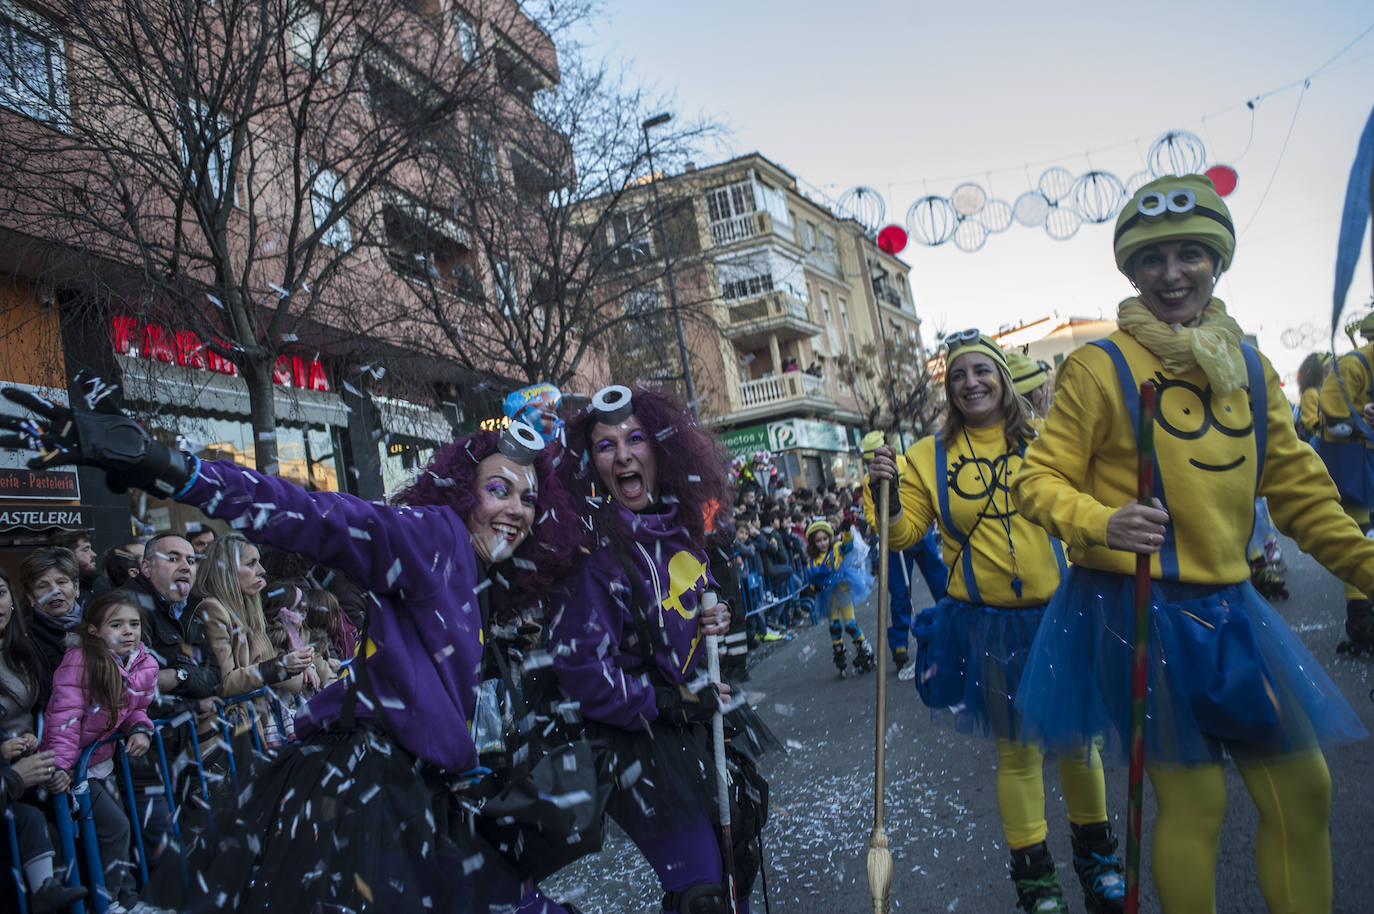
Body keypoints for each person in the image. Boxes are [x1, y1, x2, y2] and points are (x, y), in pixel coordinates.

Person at [0, 392, 588, 912]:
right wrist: (170, 469)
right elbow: (316, 516)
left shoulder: (480, 572)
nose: (515, 509)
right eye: (497, 489)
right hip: (374, 791)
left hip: (422, 795)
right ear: (464, 494)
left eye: (528, 498)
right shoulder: (433, 536)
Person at [1011, 173, 1372, 914]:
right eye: (1153, 259)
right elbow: (1037, 481)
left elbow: (1302, 491)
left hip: (1232, 608)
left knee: (1304, 792)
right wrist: (1101, 521)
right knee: (1196, 801)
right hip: (1137, 609)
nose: (1172, 273)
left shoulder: (1248, 365)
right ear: (1132, 271)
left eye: (1190, 254)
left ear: (1218, 260)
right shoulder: (1099, 366)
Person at [868, 333, 1123, 914]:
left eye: (982, 371)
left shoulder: (1047, 439)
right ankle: (1036, 882)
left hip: (1062, 614)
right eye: (958, 376)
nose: (970, 383)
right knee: (1019, 754)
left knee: (1079, 744)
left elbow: (1087, 501)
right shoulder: (927, 457)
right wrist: (877, 487)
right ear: (949, 389)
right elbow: (903, 535)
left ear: (1004, 380)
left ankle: (1098, 861)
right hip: (989, 625)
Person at [550, 385, 753, 914]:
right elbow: (582, 671)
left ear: (661, 450)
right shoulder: (593, 554)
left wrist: (713, 618)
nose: (622, 455)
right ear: (590, 466)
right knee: (704, 896)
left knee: (736, 865)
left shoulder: (678, 532)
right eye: (605, 446)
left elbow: (684, 612)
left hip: (692, 725)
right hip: (635, 743)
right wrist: (670, 701)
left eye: (634, 439)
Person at [41, 590, 166, 914]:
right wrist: (62, 770)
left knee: (120, 828)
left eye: (134, 624)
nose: (128, 631)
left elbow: (136, 709)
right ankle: (107, 902)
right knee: (115, 828)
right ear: (94, 630)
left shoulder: (143, 662)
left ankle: (125, 898)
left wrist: (140, 729)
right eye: (116, 624)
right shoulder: (80, 660)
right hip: (72, 768)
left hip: (102, 762)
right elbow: (64, 719)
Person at [0, 567, 87, 912]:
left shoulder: (22, 650)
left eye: (1, 592)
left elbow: (49, 712)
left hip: (32, 778)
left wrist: (55, 763)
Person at [193, 533, 315, 748]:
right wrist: (281, 666)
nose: (262, 570)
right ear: (226, 570)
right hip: (237, 732)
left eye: (259, 562)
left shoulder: (249, 608)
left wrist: (302, 665)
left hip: (261, 722)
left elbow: (266, 660)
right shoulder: (213, 609)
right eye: (251, 563)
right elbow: (224, 682)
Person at [859, 430, 948, 679]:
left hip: (920, 533)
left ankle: (957, 628)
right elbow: (870, 512)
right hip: (894, 542)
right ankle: (900, 647)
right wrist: (880, 522)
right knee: (899, 591)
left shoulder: (907, 464)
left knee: (940, 580)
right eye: (868, 458)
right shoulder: (871, 479)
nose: (872, 461)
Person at [1311, 313, 1374, 653]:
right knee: (1357, 533)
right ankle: (1360, 618)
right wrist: (1359, 425)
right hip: (1350, 465)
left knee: (1364, 534)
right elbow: (1331, 421)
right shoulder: (1352, 365)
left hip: (1365, 463)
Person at [49, 530, 98, 607]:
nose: (93, 554)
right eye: (86, 550)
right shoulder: (57, 593)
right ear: (68, 555)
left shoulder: (97, 583)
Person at [1294, 351, 1331, 441]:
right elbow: (1311, 423)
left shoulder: (1323, 390)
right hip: (1316, 442)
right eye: (1328, 365)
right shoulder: (1310, 393)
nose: (1331, 368)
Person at [1005, 351, 1054, 417]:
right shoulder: (1025, 423)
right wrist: (1045, 416)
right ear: (1026, 391)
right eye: (1040, 387)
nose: (1044, 392)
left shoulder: (1029, 415)